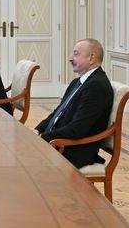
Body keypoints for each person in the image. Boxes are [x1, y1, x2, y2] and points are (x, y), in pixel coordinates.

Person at [35, 39, 113, 168]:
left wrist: (44, 137)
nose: (70, 58)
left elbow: (77, 129)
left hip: (73, 150)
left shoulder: (97, 86)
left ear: (91, 58)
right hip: (57, 143)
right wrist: (38, 129)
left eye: (76, 54)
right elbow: (58, 112)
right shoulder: (77, 82)